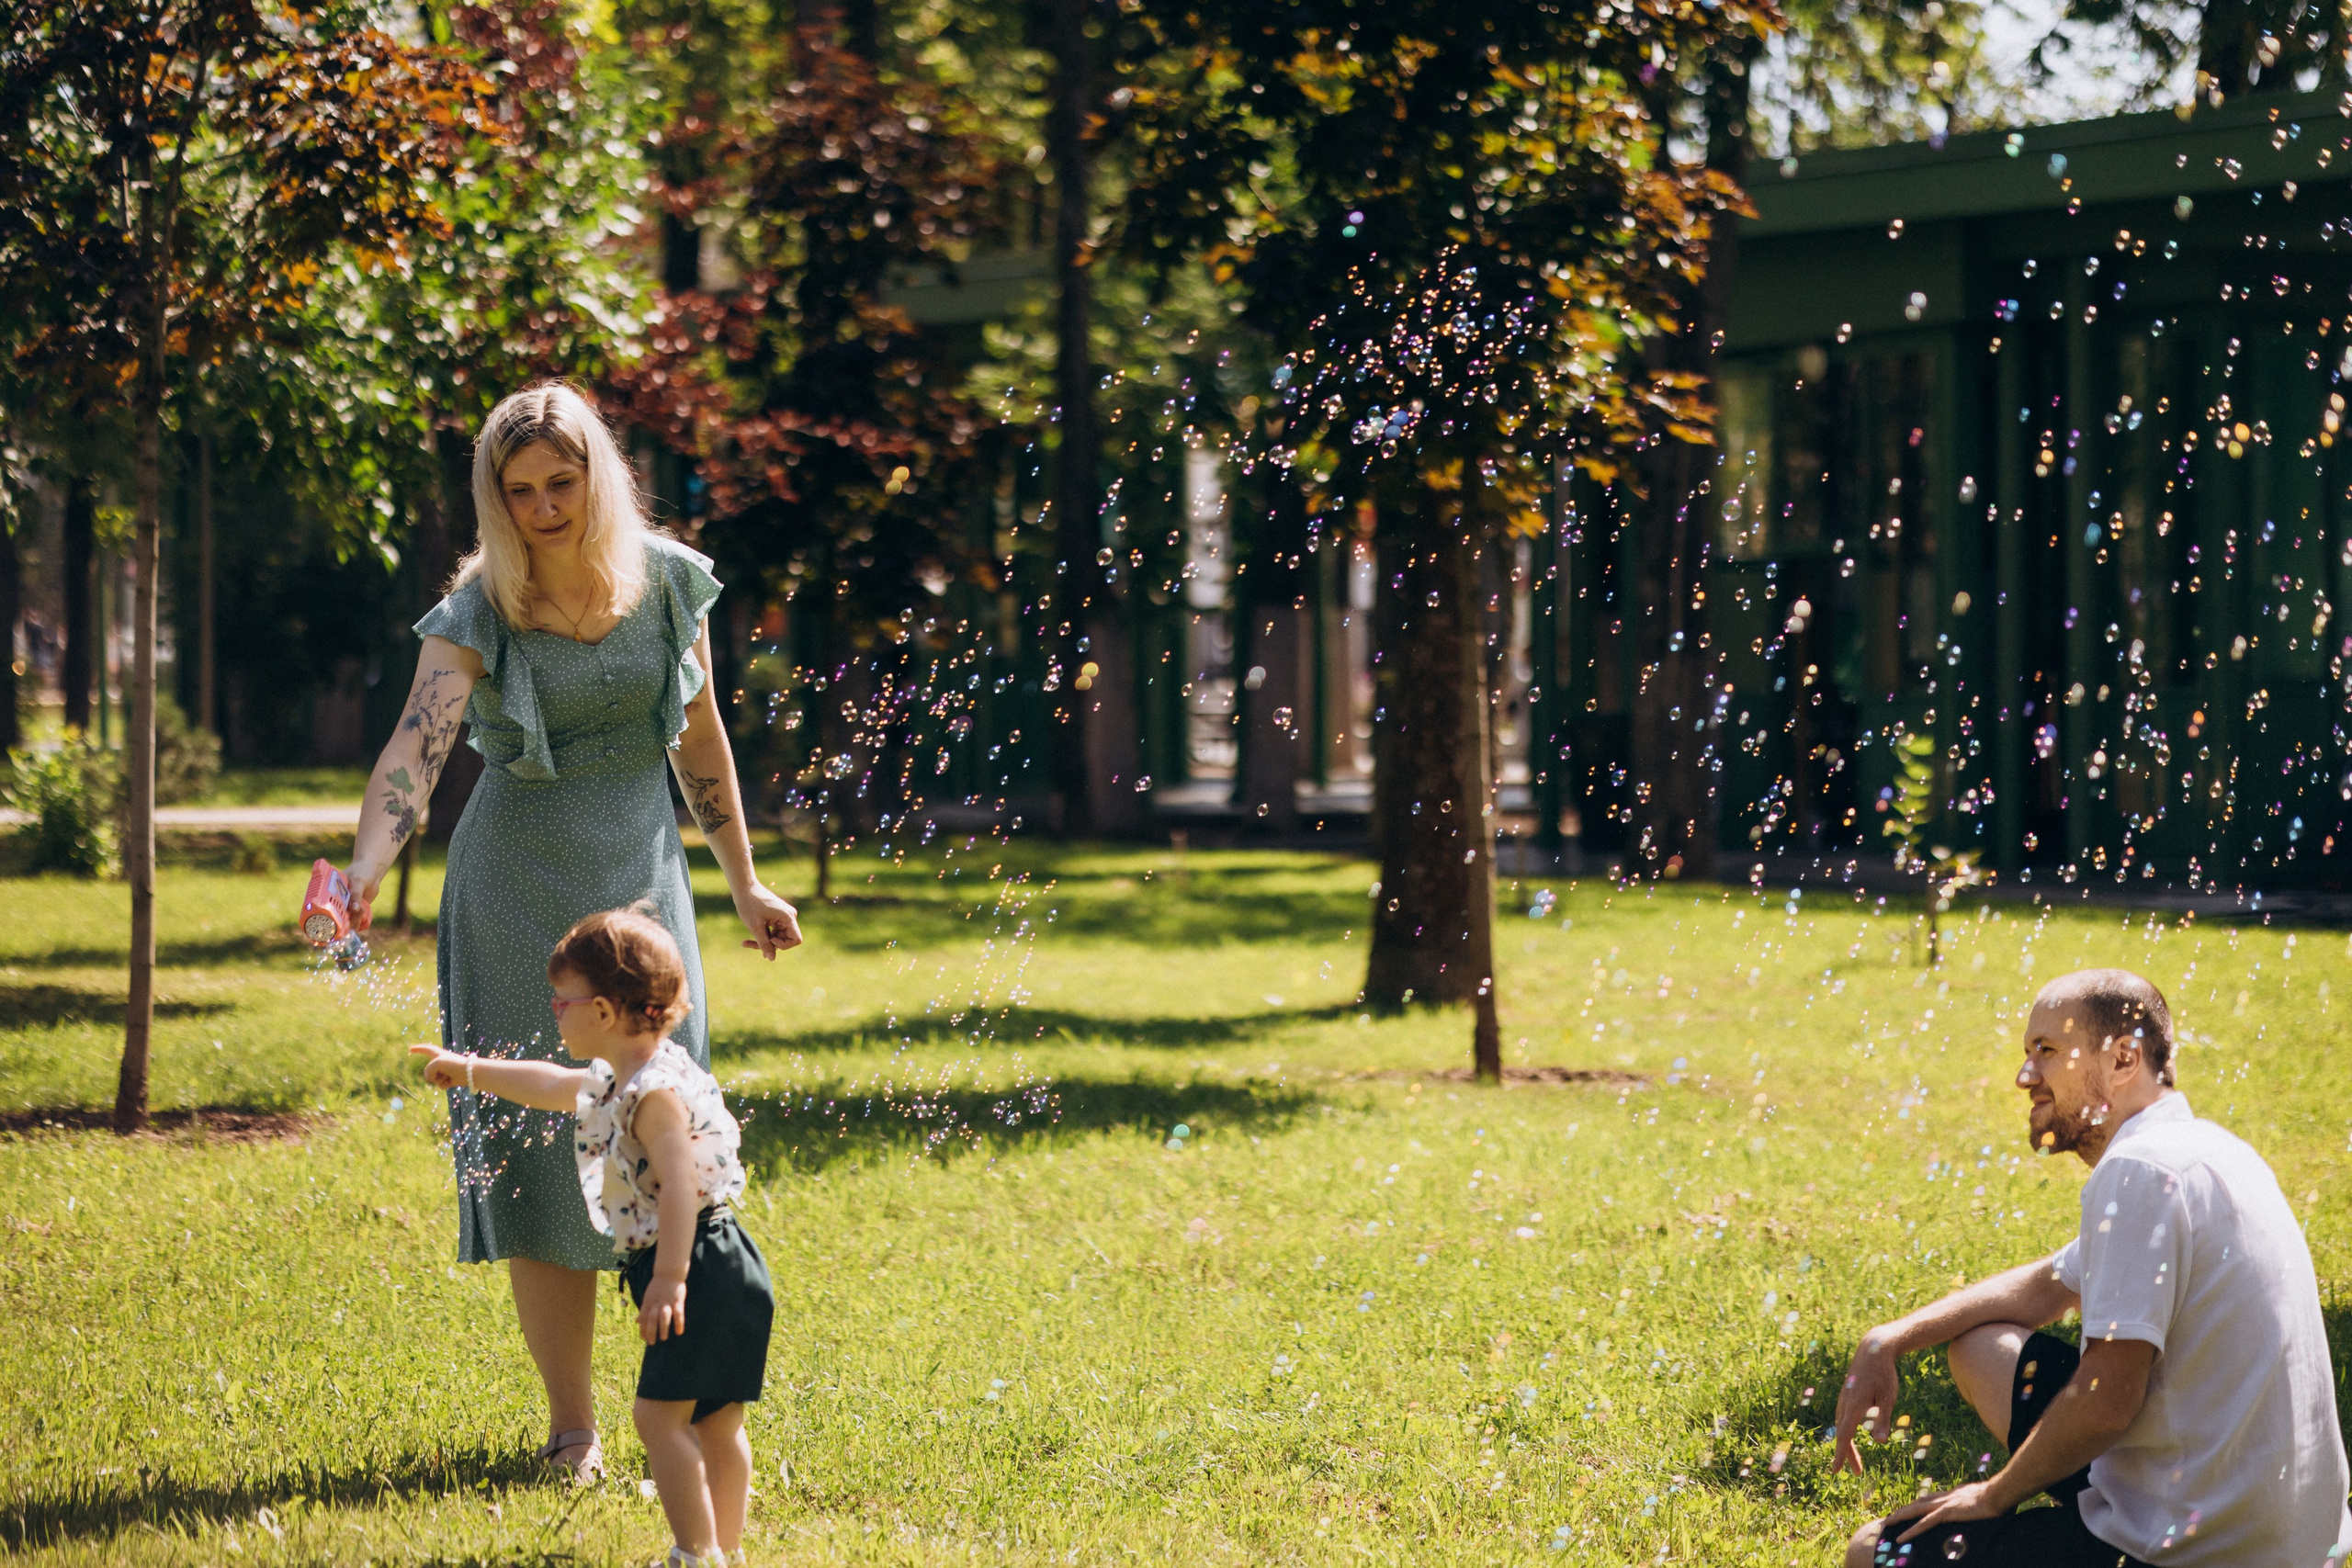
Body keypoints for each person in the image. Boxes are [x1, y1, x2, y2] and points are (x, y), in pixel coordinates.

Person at [345, 383, 801, 1482]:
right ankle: (574, 1429)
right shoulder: (479, 603)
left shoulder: (666, 580)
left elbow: (700, 738)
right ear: (494, 500)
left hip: (642, 885)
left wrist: (742, 882)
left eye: (561, 481)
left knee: (661, 1135)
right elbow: (419, 743)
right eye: (519, 491)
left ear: (598, 471)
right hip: (513, 887)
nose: (544, 507)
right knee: (545, 1157)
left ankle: (680, 1397)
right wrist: (362, 871)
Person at [1833, 967, 2352, 1568]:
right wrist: (1888, 1339)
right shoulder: (2210, 1151)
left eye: (2047, 1051)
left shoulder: (2138, 1171)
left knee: (1873, 1551)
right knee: (1978, 1344)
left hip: (2194, 1550)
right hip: (2287, 1538)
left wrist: (1993, 1494)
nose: (2025, 1076)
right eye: (2028, 1052)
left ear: (2124, 1059)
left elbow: (2107, 1401)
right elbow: (2044, 1287)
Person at [413, 906, 771, 1568]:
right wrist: (467, 1068)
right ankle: (727, 1549)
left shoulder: (653, 1095)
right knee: (715, 1422)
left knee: (658, 1419)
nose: (554, 1008)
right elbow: (553, 1085)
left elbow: (684, 1184)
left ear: (604, 1011)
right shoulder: (629, 1073)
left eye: (562, 999)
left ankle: (696, 1554)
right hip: (723, 1263)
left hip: (696, 1264)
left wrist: (669, 1278)